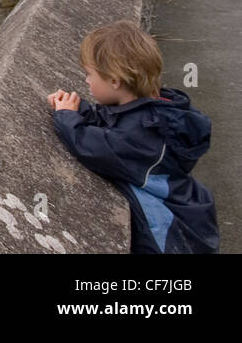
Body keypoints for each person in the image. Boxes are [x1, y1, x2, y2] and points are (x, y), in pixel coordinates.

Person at [48, 20, 218, 254]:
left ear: (115, 81)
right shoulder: (154, 111)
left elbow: (94, 147)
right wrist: (79, 109)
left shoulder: (141, 134)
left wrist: (66, 117)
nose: (87, 81)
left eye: (89, 74)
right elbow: (112, 120)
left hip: (167, 232)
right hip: (185, 203)